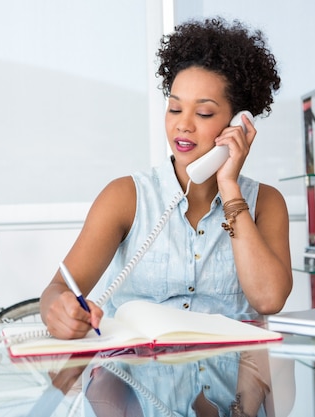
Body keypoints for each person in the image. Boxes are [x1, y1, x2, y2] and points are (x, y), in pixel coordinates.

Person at [40, 16, 292, 341]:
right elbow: (58, 289)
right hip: (135, 379)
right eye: (174, 109)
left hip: (229, 383)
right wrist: (58, 310)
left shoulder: (266, 203)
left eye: (203, 113)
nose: (183, 125)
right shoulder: (126, 197)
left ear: (238, 124)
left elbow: (269, 300)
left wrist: (229, 187)